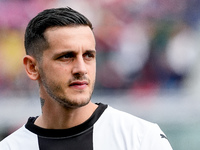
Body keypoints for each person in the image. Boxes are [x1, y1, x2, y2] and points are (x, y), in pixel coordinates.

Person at [0, 7, 173, 150]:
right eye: (66, 57)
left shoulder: (140, 139)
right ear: (32, 68)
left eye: (88, 55)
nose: (81, 68)